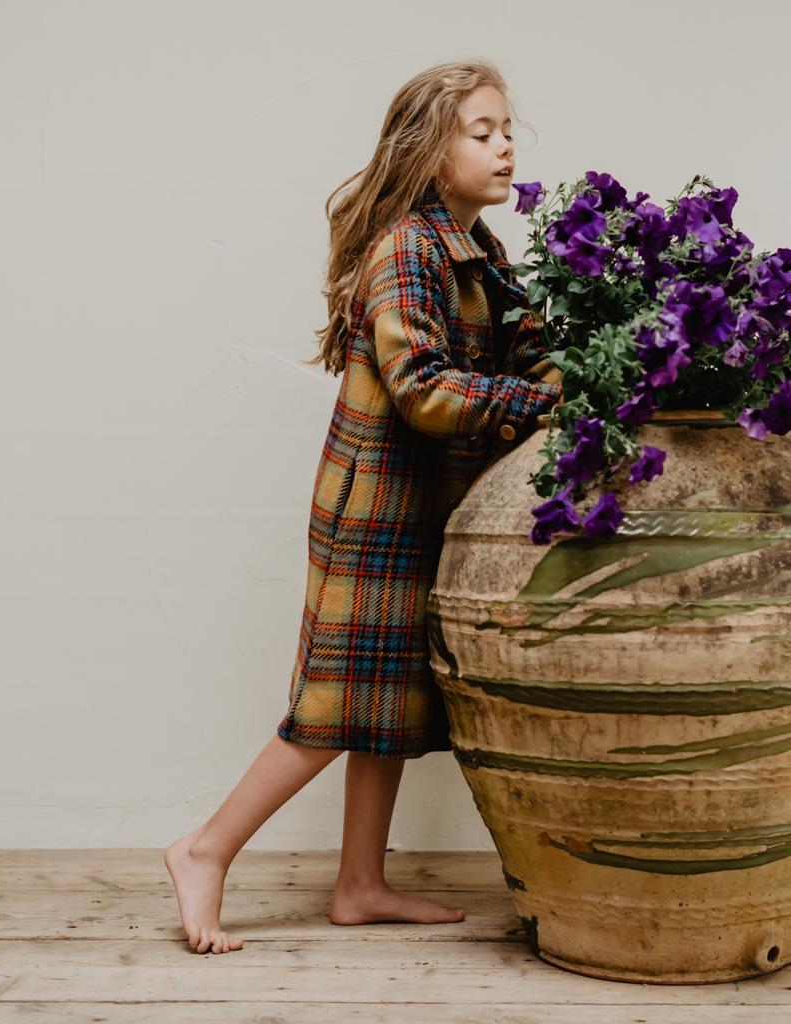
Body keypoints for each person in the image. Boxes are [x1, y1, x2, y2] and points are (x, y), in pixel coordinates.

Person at [163, 59, 563, 955]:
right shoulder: (407, 250)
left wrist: (583, 385)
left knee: (386, 701)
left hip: (424, 505)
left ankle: (359, 884)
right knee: (335, 706)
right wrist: (549, 405)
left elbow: (534, 351)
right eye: (481, 132)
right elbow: (423, 389)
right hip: (375, 510)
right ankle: (203, 849)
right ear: (429, 152)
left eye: (508, 131)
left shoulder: (482, 253)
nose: (505, 147)